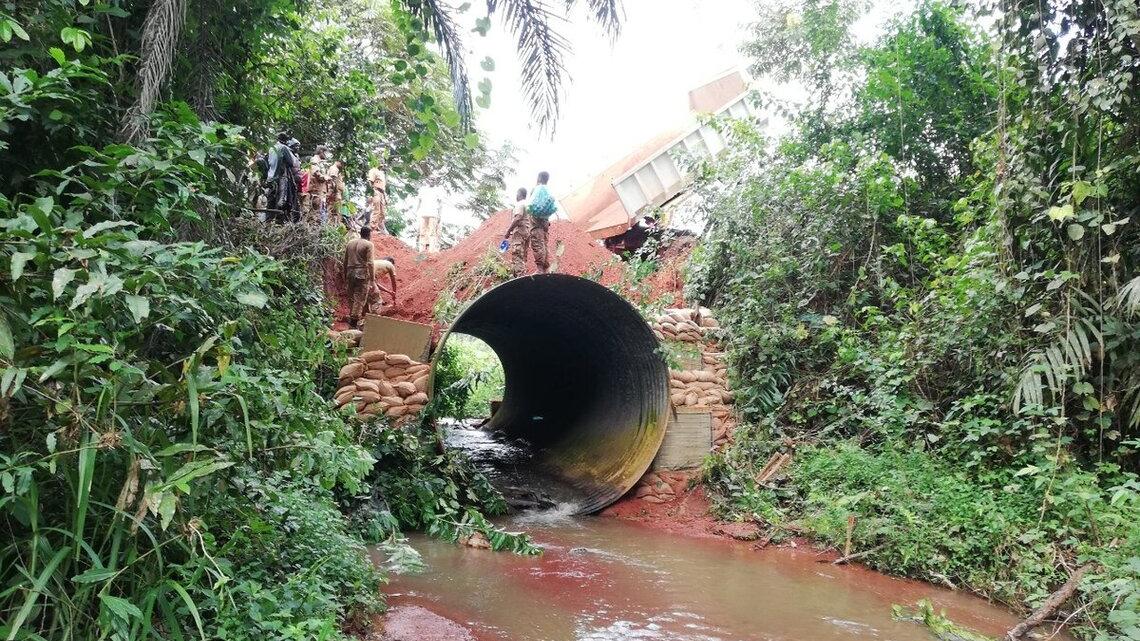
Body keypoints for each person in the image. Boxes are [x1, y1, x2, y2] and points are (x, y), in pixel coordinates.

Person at [522, 171, 557, 273]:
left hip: (536, 222)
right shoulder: (548, 191)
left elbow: (531, 206)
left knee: (537, 243)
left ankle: (540, 269)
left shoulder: (537, 189)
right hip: (545, 222)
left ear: (539, 178)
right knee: (544, 244)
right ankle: (545, 268)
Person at [342, 226, 375, 329]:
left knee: (351, 296)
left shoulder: (350, 243)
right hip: (361, 274)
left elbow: (345, 261)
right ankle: (354, 322)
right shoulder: (369, 244)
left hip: (350, 272)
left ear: (361, 233)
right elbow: (370, 263)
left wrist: (345, 275)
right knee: (359, 298)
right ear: (369, 235)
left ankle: (352, 317)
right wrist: (373, 280)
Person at [266, 133, 300, 223]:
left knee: (271, 198)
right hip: (281, 176)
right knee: (282, 198)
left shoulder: (271, 148)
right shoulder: (284, 148)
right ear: (285, 140)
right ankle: (279, 219)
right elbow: (291, 163)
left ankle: (268, 219)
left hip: (270, 176)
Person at [503, 187, 530, 276]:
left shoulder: (520, 204)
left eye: (517, 194)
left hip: (520, 232)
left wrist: (508, 231)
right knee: (523, 257)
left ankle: (520, 279)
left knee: (517, 255)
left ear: (520, 194)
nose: (516, 196)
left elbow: (518, 218)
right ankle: (520, 276)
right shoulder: (528, 205)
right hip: (527, 232)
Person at [309, 145, 333, 224]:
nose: (326, 155)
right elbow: (316, 172)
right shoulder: (314, 159)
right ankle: (312, 226)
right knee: (315, 208)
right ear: (321, 151)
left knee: (319, 209)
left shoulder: (321, 162)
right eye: (326, 153)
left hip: (321, 189)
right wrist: (325, 177)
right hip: (316, 189)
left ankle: (316, 226)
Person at [366, 165, 388, 233]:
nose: (383, 166)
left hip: (382, 193)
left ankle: (378, 227)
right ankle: (372, 227)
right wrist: (371, 193)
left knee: (382, 212)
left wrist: (385, 198)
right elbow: (370, 181)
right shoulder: (373, 170)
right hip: (376, 191)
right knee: (376, 210)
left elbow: (383, 187)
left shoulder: (382, 174)